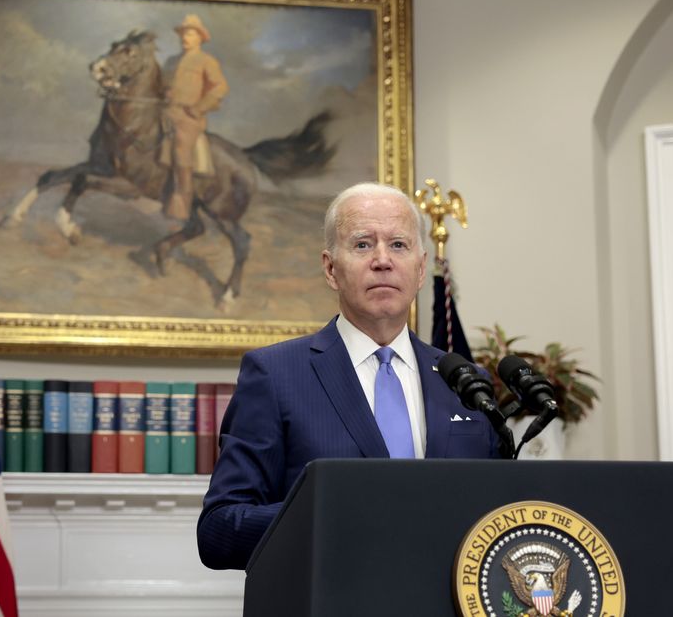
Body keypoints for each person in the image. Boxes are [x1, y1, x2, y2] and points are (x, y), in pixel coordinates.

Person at [196, 182, 498, 571]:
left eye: (399, 245)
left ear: (421, 269)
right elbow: (220, 532)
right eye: (362, 245)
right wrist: (335, 513)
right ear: (330, 269)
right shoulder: (275, 375)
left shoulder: (465, 381)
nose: (382, 260)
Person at [162, 14, 229, 221]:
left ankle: (181, 203)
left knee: (182, 149)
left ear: (200, 37)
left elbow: (220, 87)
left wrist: (199, 108)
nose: (185, 37)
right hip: (165, 112)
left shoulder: (206, 61)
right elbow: (162, 85)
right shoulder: (171, 61)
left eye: (190, 33)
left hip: (188, 117)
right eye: (183, 33)